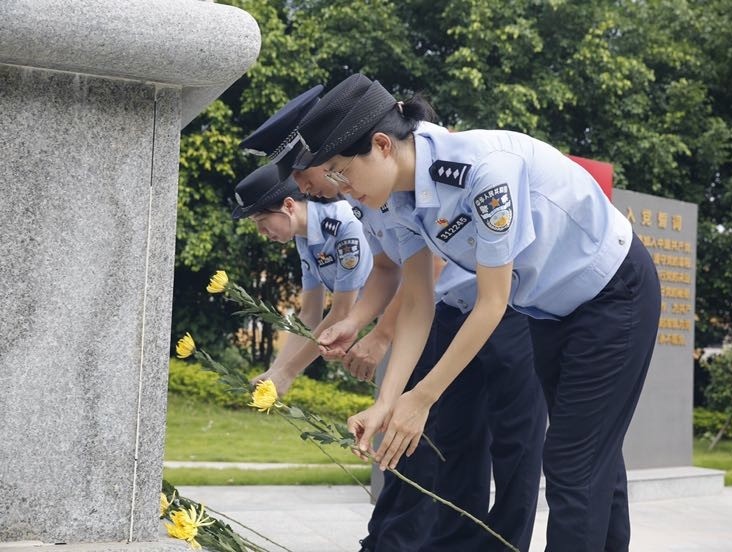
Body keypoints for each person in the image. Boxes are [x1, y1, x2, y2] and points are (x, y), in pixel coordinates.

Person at [293, 74, 662, 552]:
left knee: (572, 462)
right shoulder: (400, 202)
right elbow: (419, 305)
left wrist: (422, 398)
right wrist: (388, 402)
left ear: (382, 144)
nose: (341, 189)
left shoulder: (481, 171)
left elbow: (491, 304)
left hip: (613, 293)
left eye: (342, 172)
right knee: (595, 461)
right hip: (551, 312)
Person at [243, 84, 545, 551]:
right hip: (445, 315)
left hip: (503, 310)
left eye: (304, 175)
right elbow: (389, 270)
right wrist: (357, 325)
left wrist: (380, 336)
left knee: (514, 448)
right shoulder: (366, 191)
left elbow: (432, 268)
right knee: (452, 447)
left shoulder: (413, 170)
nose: (300, 187)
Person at [231, 162, 372, 394]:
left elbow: (341, 313)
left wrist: (289, 372)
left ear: (288, 205)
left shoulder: (344, 226)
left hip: (412, 316)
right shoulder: (304, 238)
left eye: (261, 222)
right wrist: (274, 371)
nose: (262, 233)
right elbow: (309, 315)